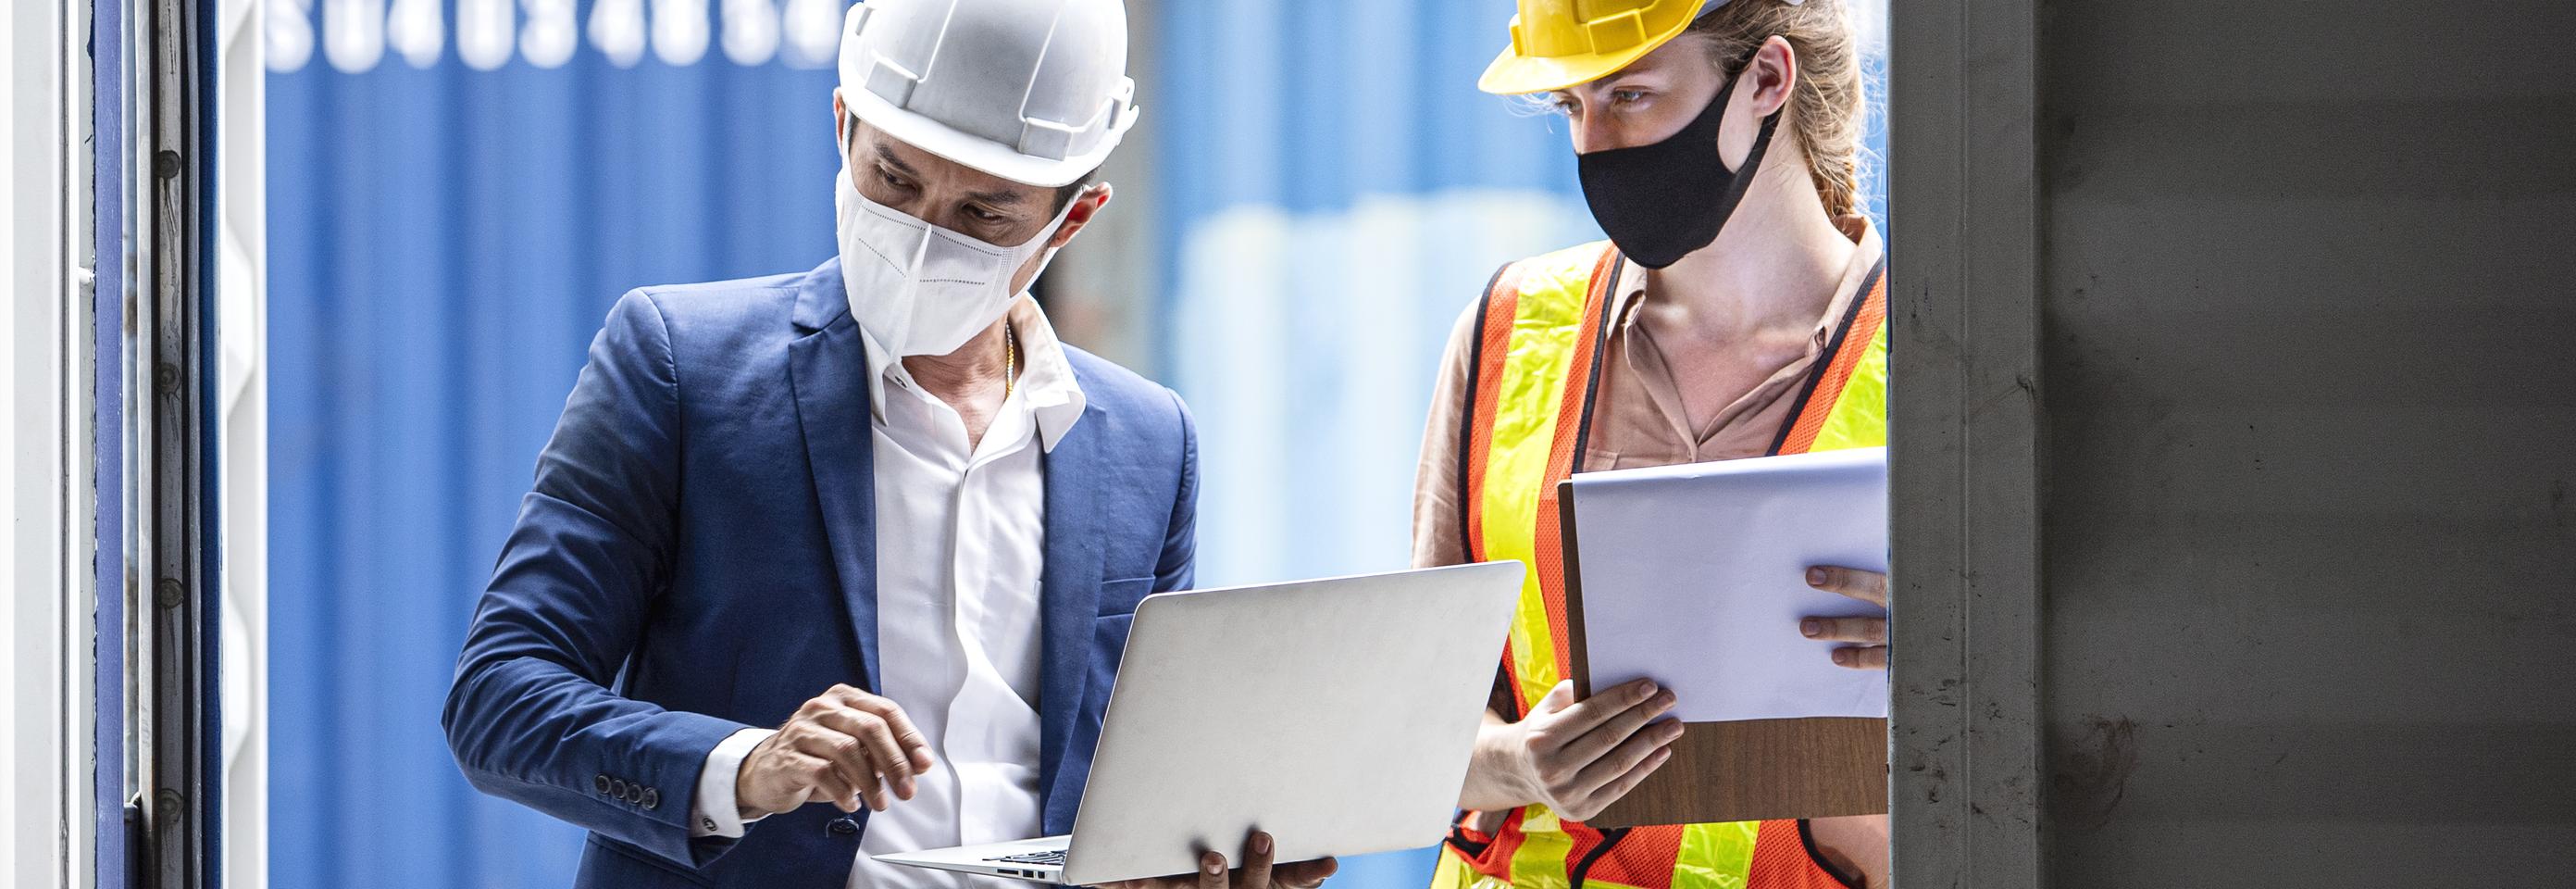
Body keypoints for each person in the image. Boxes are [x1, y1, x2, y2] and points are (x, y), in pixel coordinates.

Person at [444, 1, 1332, 887]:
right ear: (844, 124)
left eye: (984, 214)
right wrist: (746, 769)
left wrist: (1198, 856)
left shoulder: (1149, 442)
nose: (921, 236)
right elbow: (499, 700)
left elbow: (1135, 776)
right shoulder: (681, 366)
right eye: (895, 181)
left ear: (1074, 218)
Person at [1413, 0, 1895, 886]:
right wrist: (1521, 763)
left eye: (1628, 95)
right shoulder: (1509, 334)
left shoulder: (1938, 366)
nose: (1593, 143)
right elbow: (1414, 718)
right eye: (1572, 107)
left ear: (1765, 79)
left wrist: (1962, 667)